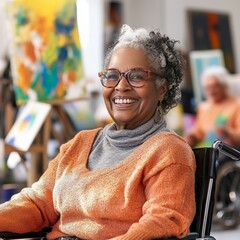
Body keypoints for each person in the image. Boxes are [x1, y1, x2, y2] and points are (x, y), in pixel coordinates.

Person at [0, 25, 196, 240]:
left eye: (137, 76)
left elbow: (163, 223)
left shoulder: (169, 151)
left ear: (162, 89)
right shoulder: (79, 143)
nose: (121, 86)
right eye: (112, 76)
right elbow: (38, 204)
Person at [184, 65, 240, 149]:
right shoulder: (204, 107)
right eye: (208, 87)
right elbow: (199, 132)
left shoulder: (236, 105)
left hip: (228, 152)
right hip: (209, 151)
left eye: (215, 86)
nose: (211, 90)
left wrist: (226, 132)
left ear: (224, 86)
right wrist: (192, 136)